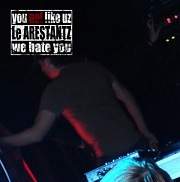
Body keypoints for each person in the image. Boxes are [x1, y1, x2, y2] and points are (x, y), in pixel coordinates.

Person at [0, 55, 158, 168]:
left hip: (112, 158)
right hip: (138, 143)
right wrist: (145, 131)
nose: (41, 70)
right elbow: (126, 96)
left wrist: (4, 141)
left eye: (40, 64)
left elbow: (37, 133)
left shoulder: (55, 88)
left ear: (48, 60)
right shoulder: (94, 67)